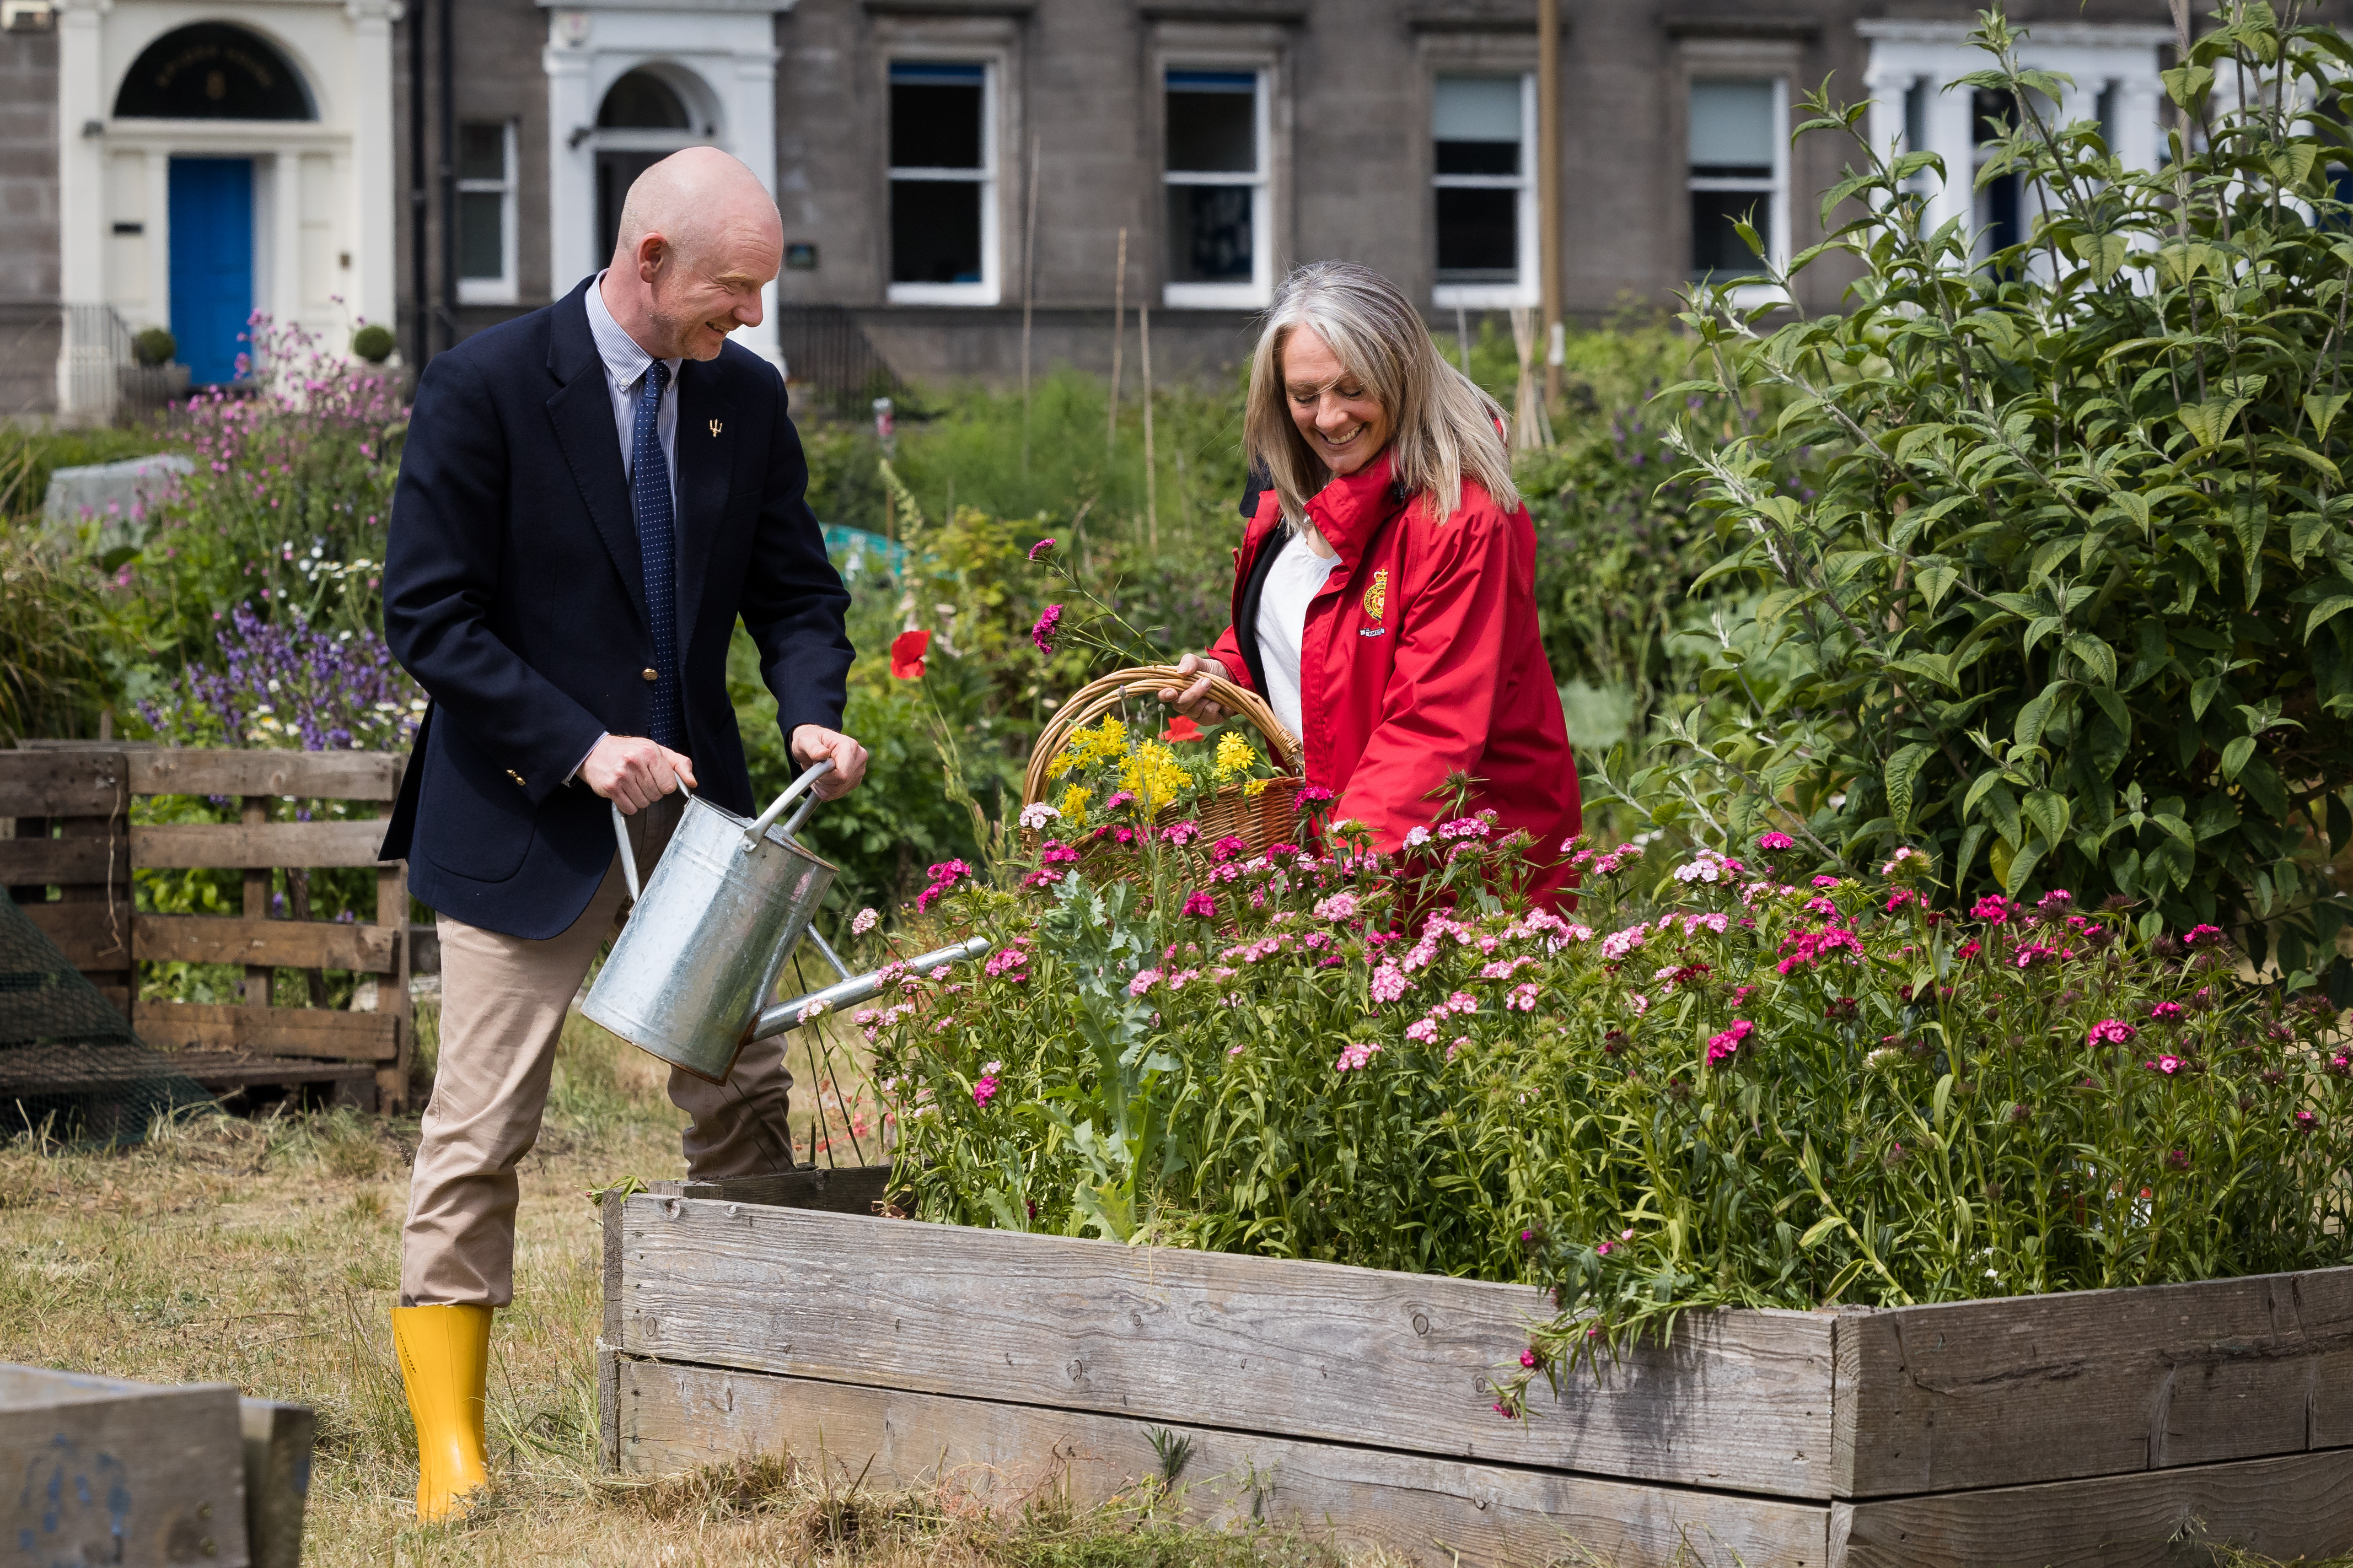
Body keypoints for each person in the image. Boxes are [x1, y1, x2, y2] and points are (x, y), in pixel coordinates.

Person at [377, 147, 869, 1521]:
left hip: (700, 822)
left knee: (741, 1099)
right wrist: (579, 742)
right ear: (647, 259)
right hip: (524, 809)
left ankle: (756, 1387)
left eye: (763, 290)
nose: (752, 317)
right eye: (734, 288)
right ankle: (451, 1445)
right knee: (481, 1127)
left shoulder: (744, 400)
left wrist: (812, 713)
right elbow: (426, 616)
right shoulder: (484, 387)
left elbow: (796, 592)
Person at [1158, 260, 1581, 903]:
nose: (1328, 418)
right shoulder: (1287, 502)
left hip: (1458, 877)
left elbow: (1431, 726)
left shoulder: (1459, 517)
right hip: (1353, 863)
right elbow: (1309, 626)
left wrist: (1342, 873)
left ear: (1402, 378)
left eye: (1352, 390)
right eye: (1304, 396)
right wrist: (1230, 674)